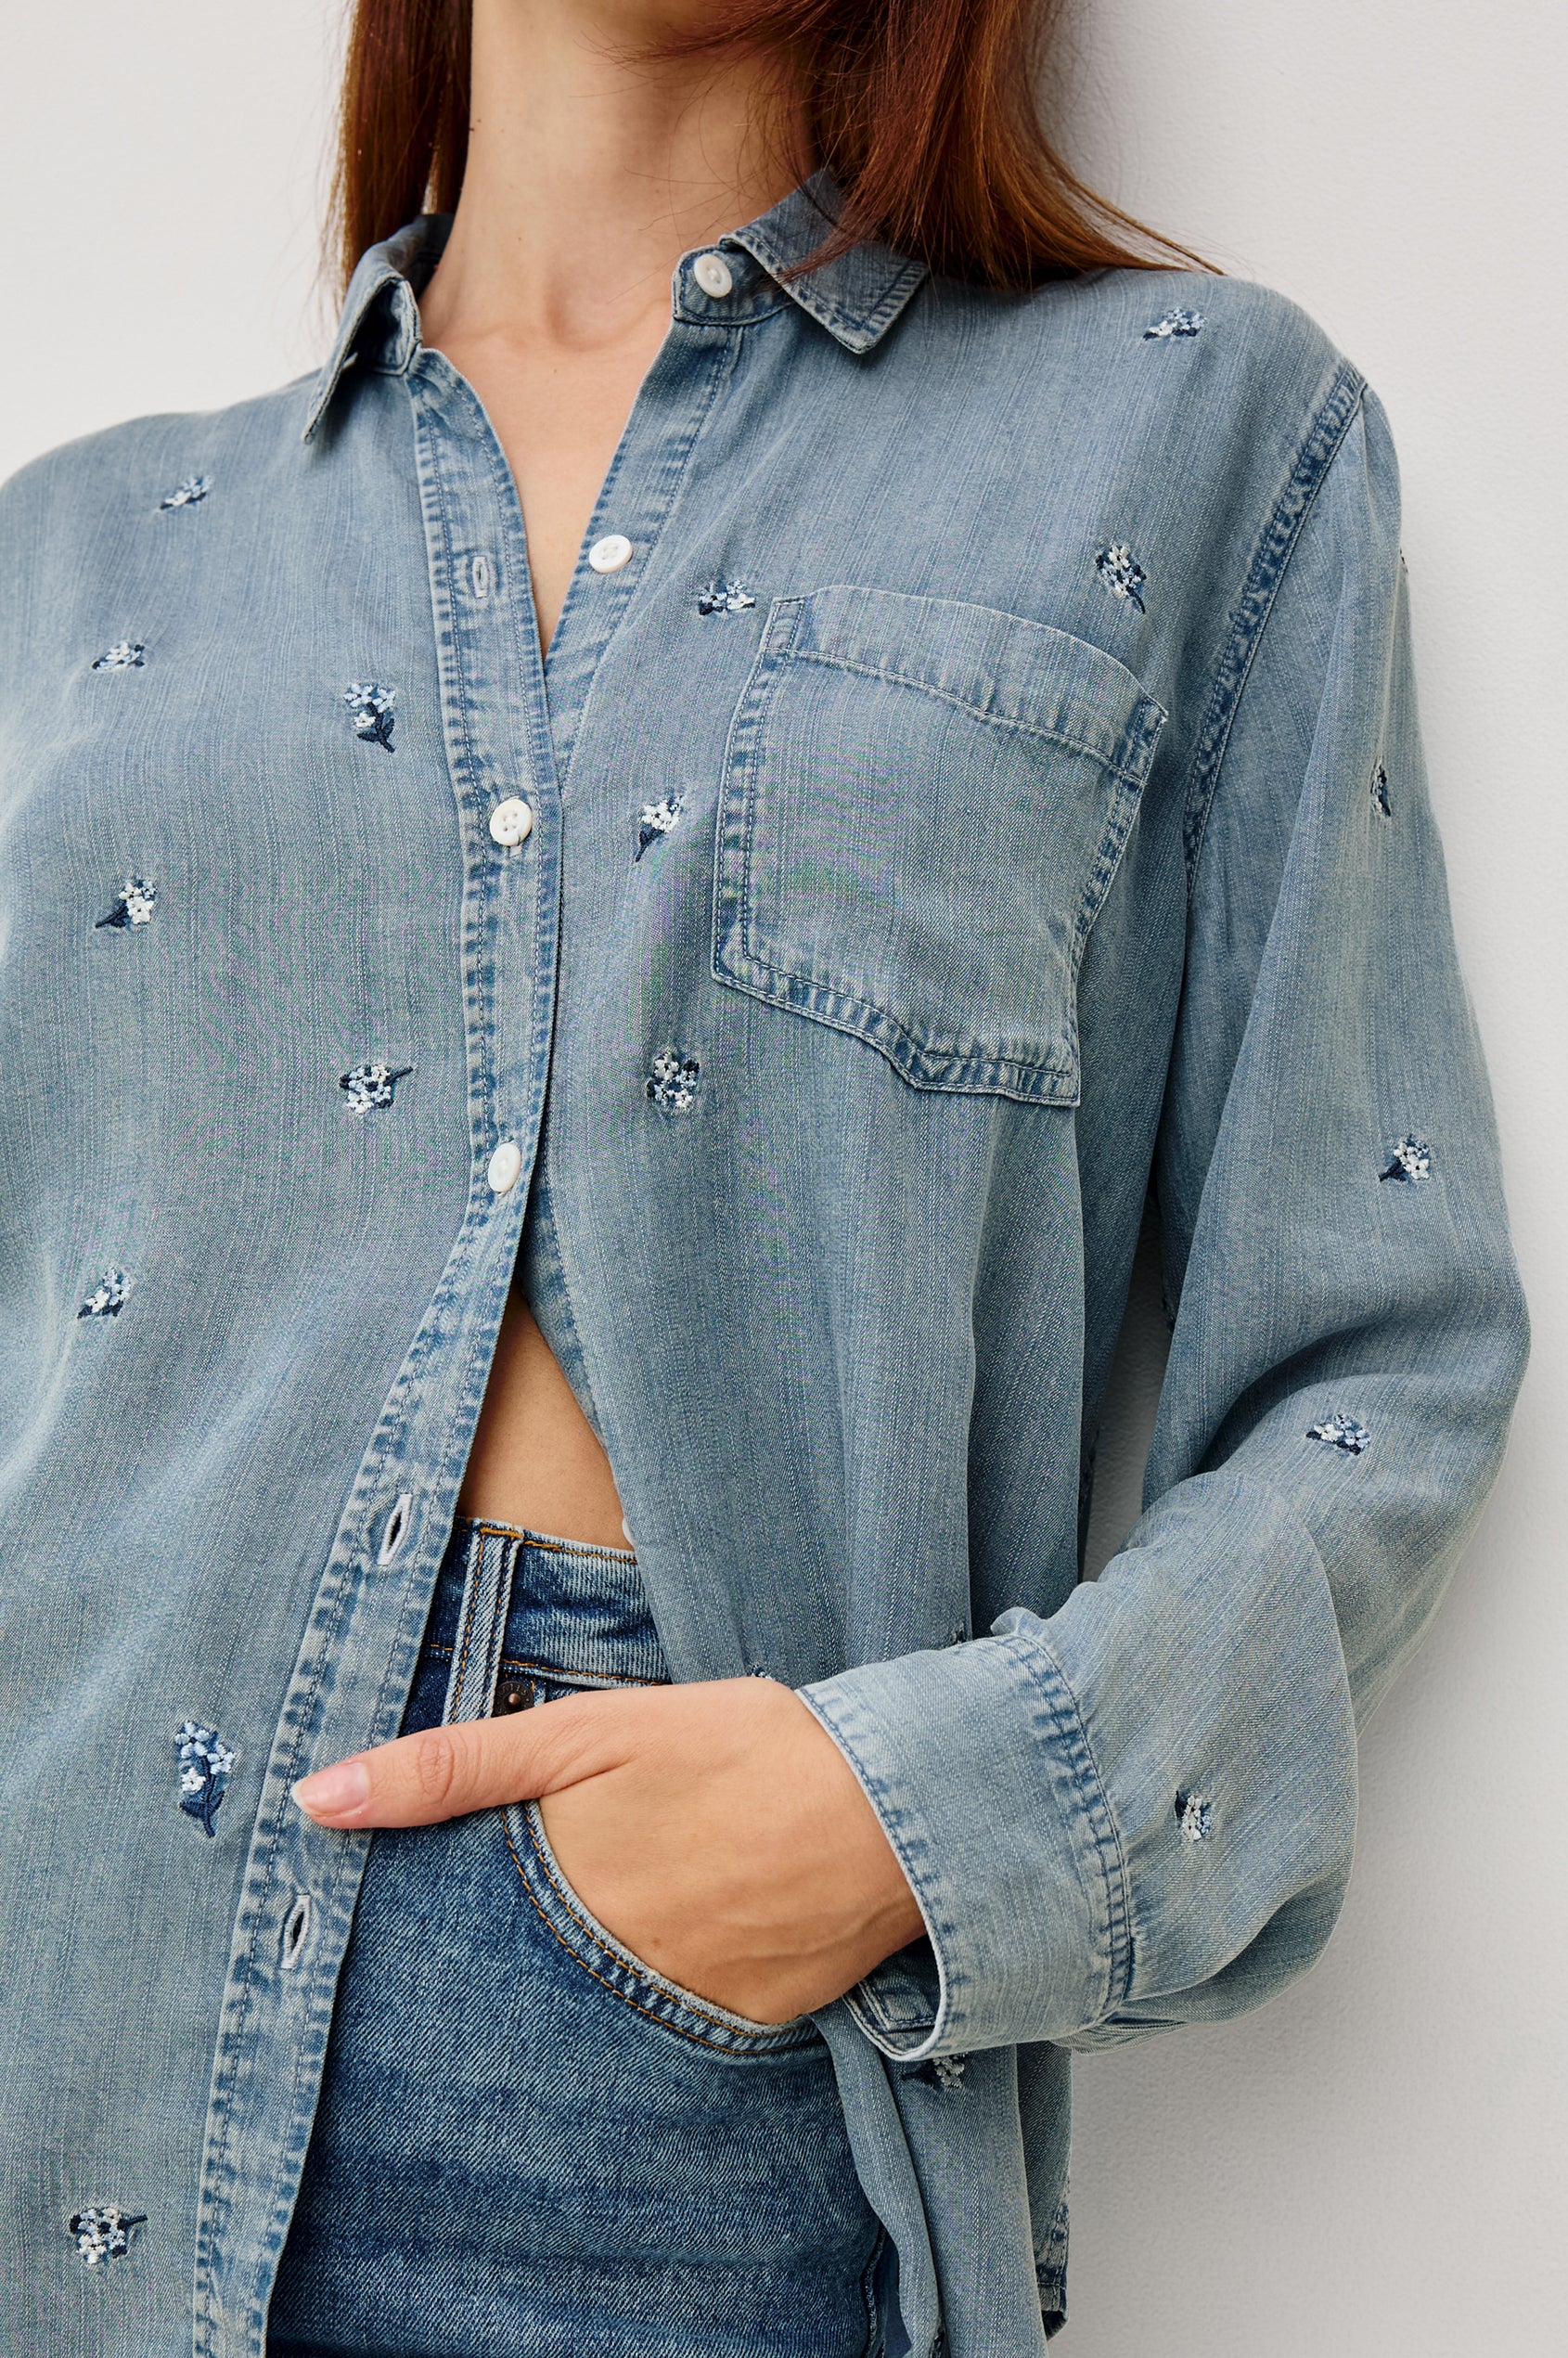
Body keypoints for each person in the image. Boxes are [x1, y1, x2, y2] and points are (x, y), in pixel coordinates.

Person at [0, 0, 1529, 2351]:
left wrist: (913, 1810)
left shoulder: (1186, 433)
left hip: (679, 2102)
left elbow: (1380, 1355)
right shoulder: (76, 559)